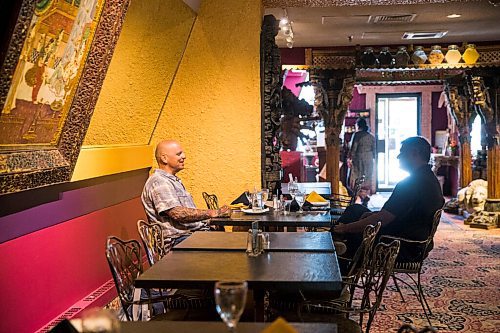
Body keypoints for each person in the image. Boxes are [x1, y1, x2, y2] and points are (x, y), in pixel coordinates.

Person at [333, 136, 444, 263]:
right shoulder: (429, 179)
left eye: (402, 152)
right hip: (416, 244)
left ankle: (339, 255)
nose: (398, 157)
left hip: (396, 245)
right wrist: (371, 216)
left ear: (414, 153)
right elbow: (400, 214)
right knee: (356, 210)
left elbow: (382, 219)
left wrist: (346, 228)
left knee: (350, 230)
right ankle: (339, 244)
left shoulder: (412, 183)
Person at [141, 140, 231, 245]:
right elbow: (177, 213)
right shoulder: (160, 182)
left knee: (237, 242)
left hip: (191, 236)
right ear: (164, 158)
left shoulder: (171, 180)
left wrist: (210, 220)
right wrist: (213, 213)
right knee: (234, 245)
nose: (184, 156)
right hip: (179, 241)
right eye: (179, 154)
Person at [348, 117, 376, 195]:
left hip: (359, 157)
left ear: (358, 125)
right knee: (367, 176)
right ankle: (365, 195)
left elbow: (353, 148)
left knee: (357, 176)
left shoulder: (356, 135)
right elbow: (374, 150)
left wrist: (350, 158)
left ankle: (358, 195)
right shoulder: (371, 136)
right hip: (369, 158)